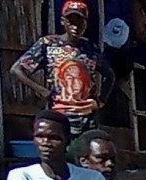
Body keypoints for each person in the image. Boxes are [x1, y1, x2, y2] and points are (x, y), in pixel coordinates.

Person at [12, 1, 113, 144]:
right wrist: (42, 90)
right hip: (59, 116)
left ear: (85, 24)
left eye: (80, 21)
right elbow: (17, 69)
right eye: (71, 21)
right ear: (62, 21)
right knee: (60, 156)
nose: (75, 26)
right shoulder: (48, 44)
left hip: (87, 119)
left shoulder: (90, 48)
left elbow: (110, 75)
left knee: (85, 158)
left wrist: (101, 101)